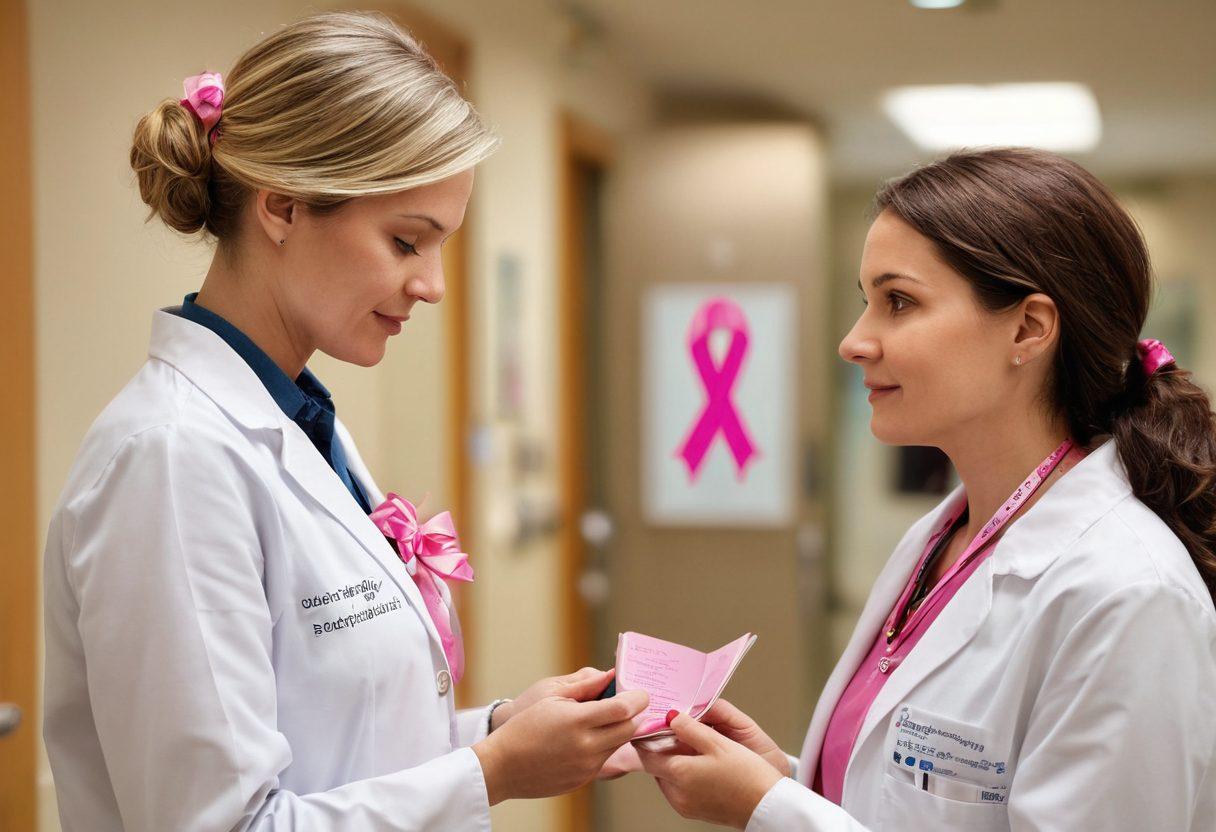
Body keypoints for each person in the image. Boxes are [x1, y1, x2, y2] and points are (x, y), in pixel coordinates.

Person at [42, 12, 646, 831]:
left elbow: (342, 752)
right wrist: (491, 772)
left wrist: (499, 733)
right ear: (284, 207)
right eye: (406, 242)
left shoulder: (300, 421)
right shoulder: (172, 461)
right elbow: (226, 822)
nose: (432, 285)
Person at [638, 148, 1216, 830]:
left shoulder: (1127, 594)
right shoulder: (948, 536)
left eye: (899, 302)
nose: (855, 342)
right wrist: (790, 781)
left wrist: (774, 812)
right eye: (867, 303)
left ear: (1028, 328)